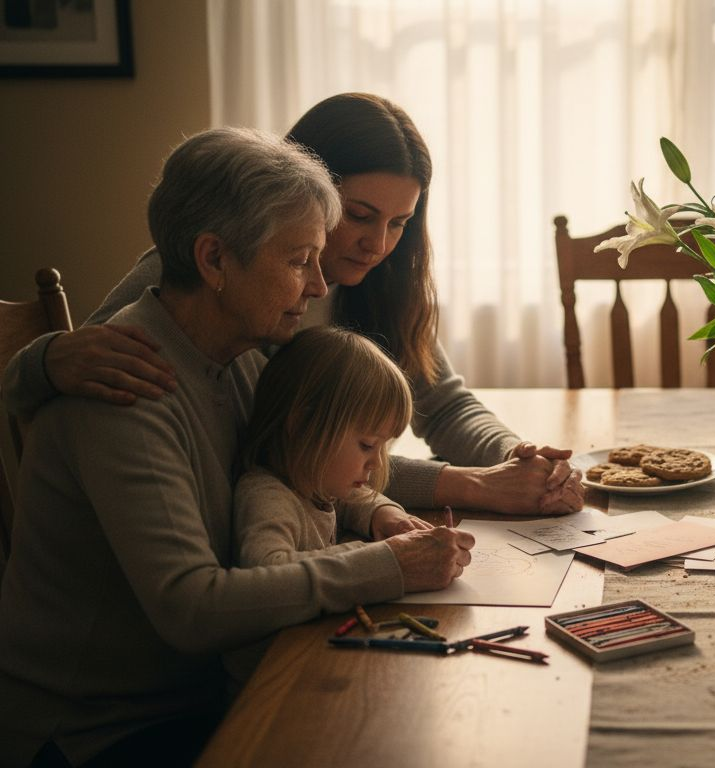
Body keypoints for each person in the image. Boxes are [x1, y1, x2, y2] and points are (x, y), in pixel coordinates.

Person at [0, 128, 474, 767]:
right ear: (215, 260)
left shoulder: (246, 354)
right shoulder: (125, 383)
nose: (317, 287)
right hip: (103, 730)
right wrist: (391, 563)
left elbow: (311, 465)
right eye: (299, 261)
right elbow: (193, 609)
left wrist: (380, 507)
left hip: (216, 684)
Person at [1, 92, 582, 517]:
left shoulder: (379, 279)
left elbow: (444, 404)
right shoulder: (204, 279)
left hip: (325, 528)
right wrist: (47, 358)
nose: (377, 245)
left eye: (399, 224)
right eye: (357, 216)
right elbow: (294, 456)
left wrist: (517, 461)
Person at [233, 325, 430, 568]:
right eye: (367, 445)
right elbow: (267, 567)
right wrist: (380, 555)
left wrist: (384, 513)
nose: (377, 462)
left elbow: (351, 501)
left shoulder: (314, 484)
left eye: (382, 446)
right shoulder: (268, 498)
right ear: (303, 423)